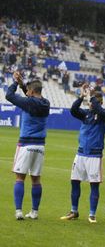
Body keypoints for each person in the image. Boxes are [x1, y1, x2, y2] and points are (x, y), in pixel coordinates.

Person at [61, 84, 105, 223]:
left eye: (93, 102)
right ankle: (74, 211)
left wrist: (92, 96)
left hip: (94, 155)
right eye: (89, 102)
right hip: (81, 153)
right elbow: (73, 110)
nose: (90, 104)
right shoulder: (86, 114)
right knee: (74, 182)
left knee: (94, 184)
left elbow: (99, 110)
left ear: (99, 103)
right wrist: (82, 96)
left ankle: (92, 214)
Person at [6, 71, 50, 220]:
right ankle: (34, 212)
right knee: (36, 179)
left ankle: (18, 211)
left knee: (20, 178)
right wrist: (22, 84)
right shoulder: (46, 103)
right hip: (40, 147)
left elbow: (9, 95)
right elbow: (30, 95)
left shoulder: (28, 102)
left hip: (25, 144)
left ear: (31, 92)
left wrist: (14, 83)